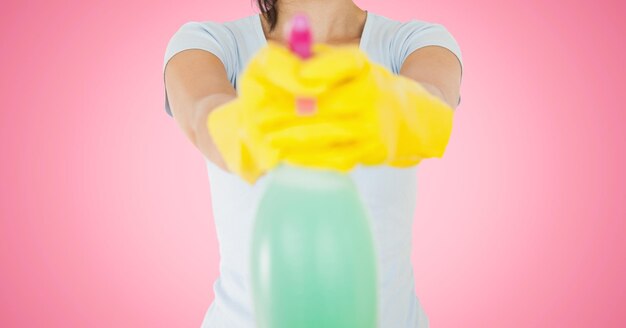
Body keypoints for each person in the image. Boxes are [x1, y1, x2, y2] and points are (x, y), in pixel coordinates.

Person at [162, 0, 463, 327]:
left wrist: (385, 108)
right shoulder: (211, 43)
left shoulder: (414, 42)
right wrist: (247, 128)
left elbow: (432, 99)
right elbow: (201, 112)